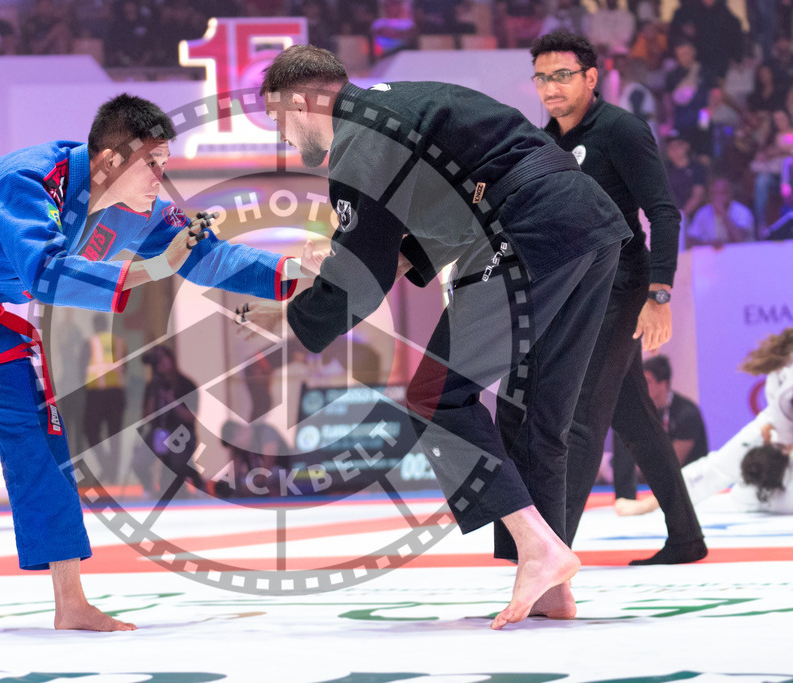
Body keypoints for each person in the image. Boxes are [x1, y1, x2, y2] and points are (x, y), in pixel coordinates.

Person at [0, 93, 302, 642]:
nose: (162, 182)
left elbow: (206, 254)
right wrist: (147, 273)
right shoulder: (24, 178)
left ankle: (70, 601)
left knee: (42, 437)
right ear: (111, 161)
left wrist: (293, 272)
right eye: (153, 166)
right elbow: (44, 274)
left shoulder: (138, 213)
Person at [247, 45, 631, 629]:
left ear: (301, 100)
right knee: (535, 413)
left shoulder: (357, 139)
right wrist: (348, 266)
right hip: (587, 225)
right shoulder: (405, 104)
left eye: (279, 119)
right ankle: (551, 585)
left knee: (434, 396)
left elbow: (362, 279)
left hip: (527, 231)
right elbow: (433, 227)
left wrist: (293, 320)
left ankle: (539, 547)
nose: (282, 136)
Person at [529, 31, 706, 566]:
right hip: (576, 296)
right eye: (542, 77)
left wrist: (659, 292)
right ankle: (686, 537)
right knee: (633, 418)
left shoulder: (621, 131)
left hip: (622, 289)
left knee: (580, 418)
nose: (550, 87)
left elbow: (665, 211)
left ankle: (552, 558)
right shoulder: (546, 141)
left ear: (591, 77)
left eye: (562, 75)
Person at [617, 329, 793, 515]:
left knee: (747, 493)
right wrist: (647, 505)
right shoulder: (770, 425)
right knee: (746, 493)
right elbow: (713, 470)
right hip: (768, 478)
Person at [612, 355, 709, 500]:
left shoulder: (686, 413)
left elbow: (671, 464)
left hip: (690, 485)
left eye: (647, 381)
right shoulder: (641, 410)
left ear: (663, 384)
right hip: (651, 483)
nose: (642, 386)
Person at [138, 344, 205, 497]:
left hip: (182, 432)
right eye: (157, 360)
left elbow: (191, 416)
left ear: (171, 359)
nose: (160, 363)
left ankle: (195, 479)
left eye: (162, 358)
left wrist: (173, 401)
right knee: (139, 461)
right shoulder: (153, 386)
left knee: (178, 461)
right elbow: (147, 416)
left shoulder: (186, 384)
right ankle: (149, 488)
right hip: (159, 432)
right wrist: (155, 391)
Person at [83, 314, 126, 484]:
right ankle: (112, 472)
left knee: (90, 430)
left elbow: (82, 369)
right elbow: (126, 368)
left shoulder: (91, 343)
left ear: (94, 326)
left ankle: (107, 467)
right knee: (115, 435)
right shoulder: (119, 343)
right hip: (117, 394)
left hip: (97, 394)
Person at [686, 176, 756, 246]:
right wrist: (710, 244)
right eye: (714, 193)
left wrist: (724, 214)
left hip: (742, 255)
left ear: (730, 194)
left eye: (722, 193)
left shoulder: (742, 212)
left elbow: (739, 240)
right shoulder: (703, 212)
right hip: (713, 256)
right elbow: (691, 240)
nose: (718, 197)